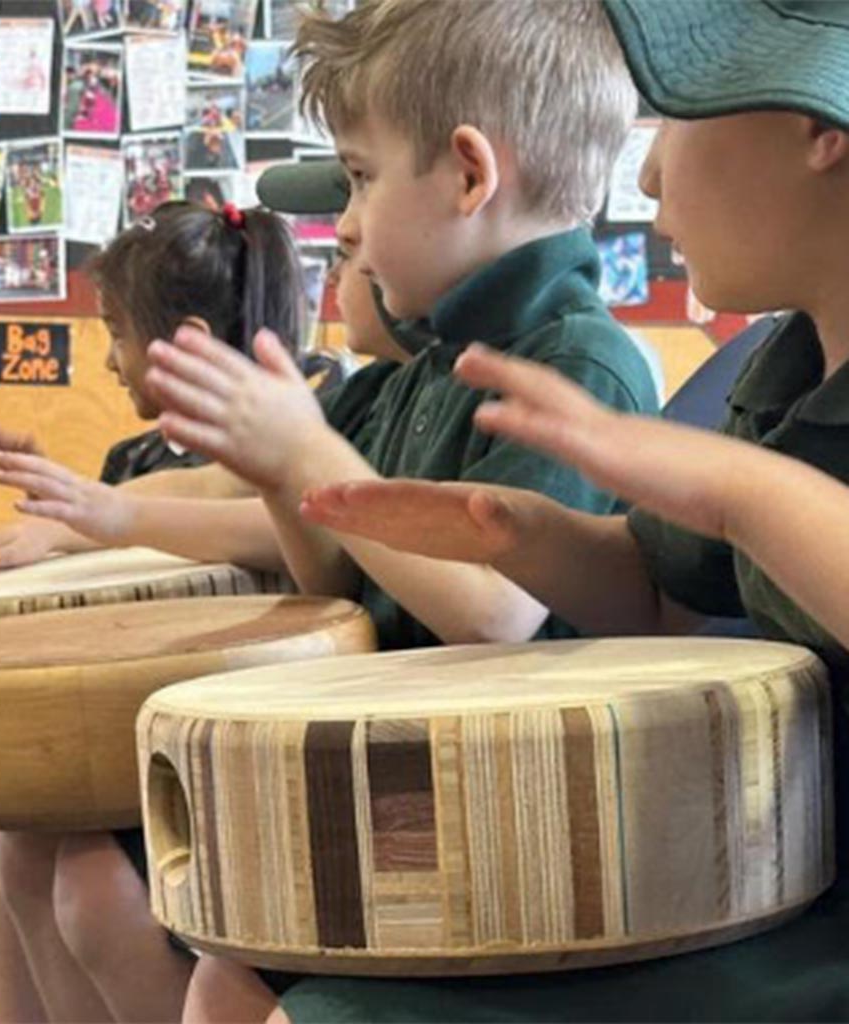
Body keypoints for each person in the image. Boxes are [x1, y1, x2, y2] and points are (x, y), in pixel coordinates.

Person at [268, 1, 849, 1020]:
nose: (653, 175)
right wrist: (523, 535)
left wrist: (736, 491)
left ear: (821, 131)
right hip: (756, 866)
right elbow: (659, 597)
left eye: (674, 117)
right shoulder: (778, 368)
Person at [0, 199, 309, 1024]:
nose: (110, 360)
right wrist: (63, 510)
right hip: (130, 708)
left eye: (116, 331)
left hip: (190, 726)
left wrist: (78, 517)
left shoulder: (289, 428)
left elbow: (223, 502)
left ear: (184, 339)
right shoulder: (140, 454)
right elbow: (131, 521)